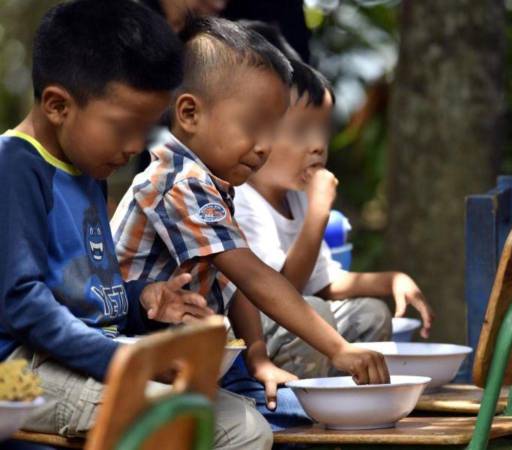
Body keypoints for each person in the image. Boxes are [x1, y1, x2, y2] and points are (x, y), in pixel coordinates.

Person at [0, 2, 271, 448]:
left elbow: (87, 298)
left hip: (81, 357)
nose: (133, 147)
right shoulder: (16, 167)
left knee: (240, 418)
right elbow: (22, 303)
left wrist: (141, 298)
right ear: (57, 105)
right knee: (228, 428)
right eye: (124, 127)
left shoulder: (88, 168)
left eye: (145, 131)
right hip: (21, 371)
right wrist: (124, 360)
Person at [111, 18, 389, 403]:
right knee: (281, 419)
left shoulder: (215, 183)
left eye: (272, 130)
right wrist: (338, 348)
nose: (264, 146)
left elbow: (235, 282)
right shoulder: (181, 181)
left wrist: (258, 358)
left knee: (288, 408)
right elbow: (253, 276)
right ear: (190, 113)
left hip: (192, 349)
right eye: (252, 126)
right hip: (136, 355)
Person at [233, 23, 434, 377]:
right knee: (314, 312)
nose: (317, 146)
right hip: (247, 337)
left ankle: (349, 406)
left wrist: (389, 280)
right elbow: (284, 294)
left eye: (323, 131)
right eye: (300, 131)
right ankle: (301, 414)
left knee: (370, 313)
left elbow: (323, 281)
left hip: (292, 316)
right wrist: (318, 215)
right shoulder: (243, 200)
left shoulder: (294, 197)